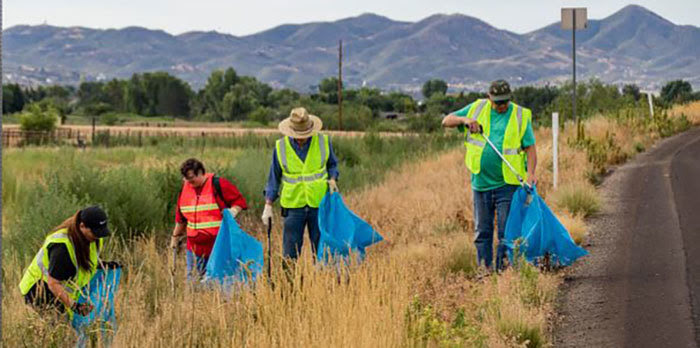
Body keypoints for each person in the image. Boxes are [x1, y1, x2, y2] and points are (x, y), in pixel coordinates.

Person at [442, 80, 538, 270]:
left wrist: (531, 173)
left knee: (506, 231)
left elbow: (530, 147)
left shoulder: (520, 115)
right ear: (489, 98)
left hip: (507, 185)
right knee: (482, 232)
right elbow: (446, 120)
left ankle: (503, 272)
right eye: (498, 102)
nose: (502, 106)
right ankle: (485, 272)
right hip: (481, 184)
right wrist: (465, 120)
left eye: (505, 102)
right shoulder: (477, 108)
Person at [262, 107, 339, 259]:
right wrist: (268, 205)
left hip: (319, 205)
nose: (301, 138)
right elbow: (274, 177)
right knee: (290, 254)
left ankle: (322, 281)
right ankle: (290, 281)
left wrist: (332, 178)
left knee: (322, 251)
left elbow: (332, 164)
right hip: (293, 207)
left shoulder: (323, 142)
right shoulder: (281, 147)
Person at [19, 206, 111, 318]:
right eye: (95, 232)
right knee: (59, 331)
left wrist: (103, 265)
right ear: (82, 226)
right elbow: (53, 283)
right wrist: (74, 306)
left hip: (59, 288)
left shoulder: (94, 238)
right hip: (41, 289)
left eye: (101, 232)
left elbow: (86, 260)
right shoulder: (62, 248)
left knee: (68, 329)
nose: (98, 236)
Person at [170, 158, 248, 279]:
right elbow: (181, 218)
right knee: (193, 283)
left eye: (192, 178)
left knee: (218, 282)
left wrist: (233, 211)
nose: (189, 182)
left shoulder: (218, 184)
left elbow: (239, 201)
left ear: (201, 172)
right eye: (186, 179)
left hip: (218, 246)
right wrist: (175, 238)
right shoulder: (185, 190)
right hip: (194, 248)